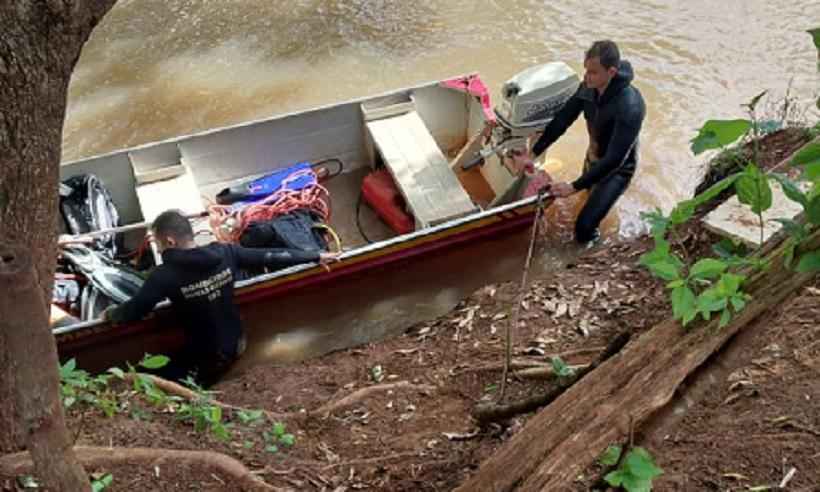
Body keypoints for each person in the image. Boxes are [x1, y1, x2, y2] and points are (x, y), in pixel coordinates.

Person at [103, 209, 339, 387]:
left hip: (209, 358)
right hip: (238, 342)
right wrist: (315, 256)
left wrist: (111, 314)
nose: (159, 248)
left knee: (150, 379)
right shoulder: (226, 253)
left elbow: (135, 311)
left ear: (170, 242)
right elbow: (270, 256)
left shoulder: (164, 276)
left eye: (158, 242)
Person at [514, 39, 646, 244]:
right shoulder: (588, 87)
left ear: (611, 72)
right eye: (585, 70)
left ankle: (594, 254)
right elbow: (563, 119)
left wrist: (573, 186)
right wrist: (533, 153)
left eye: (593, 72)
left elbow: (615, 159)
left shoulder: (630, 106)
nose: (586, 77)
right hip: (593, 156)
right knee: (586, 195)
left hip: (616, 170)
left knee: (583, 227)